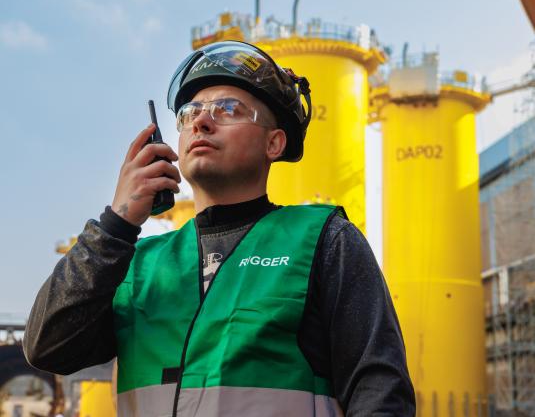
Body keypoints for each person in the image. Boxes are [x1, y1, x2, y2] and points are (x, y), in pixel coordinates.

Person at [24, 41, 415, 417]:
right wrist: (117, 223)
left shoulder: (324, 242)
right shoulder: (136, 267)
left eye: (228, 109)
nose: (201, 121)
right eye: (190, 113)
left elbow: (380, 391)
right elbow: (47, 348)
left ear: (274, 143)